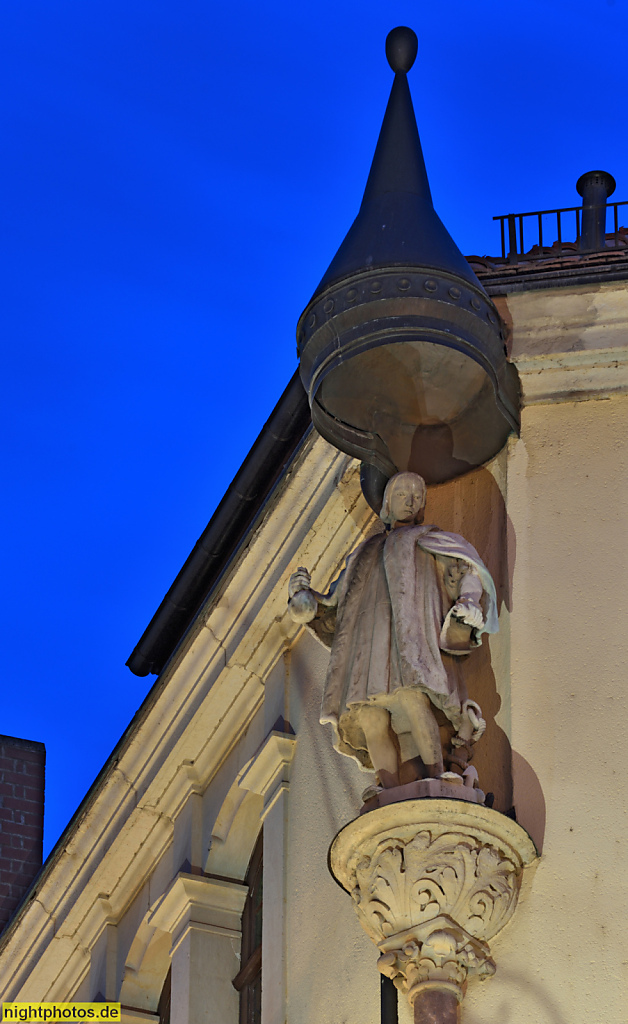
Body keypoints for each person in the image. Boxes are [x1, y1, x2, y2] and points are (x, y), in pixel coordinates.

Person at [287, 472, 498, 789]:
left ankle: (439, 774)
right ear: (387, 505)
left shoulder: (433, 540)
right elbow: (337, 608)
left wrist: (468, 600)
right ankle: (387, 785)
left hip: (413, 645)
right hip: (370, 651)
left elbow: (468, 570)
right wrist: (306, 602)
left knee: (413, 700)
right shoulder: (364, 553)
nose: (410, 500)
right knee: (370, 716)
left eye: (416, 496)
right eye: (402, 494)